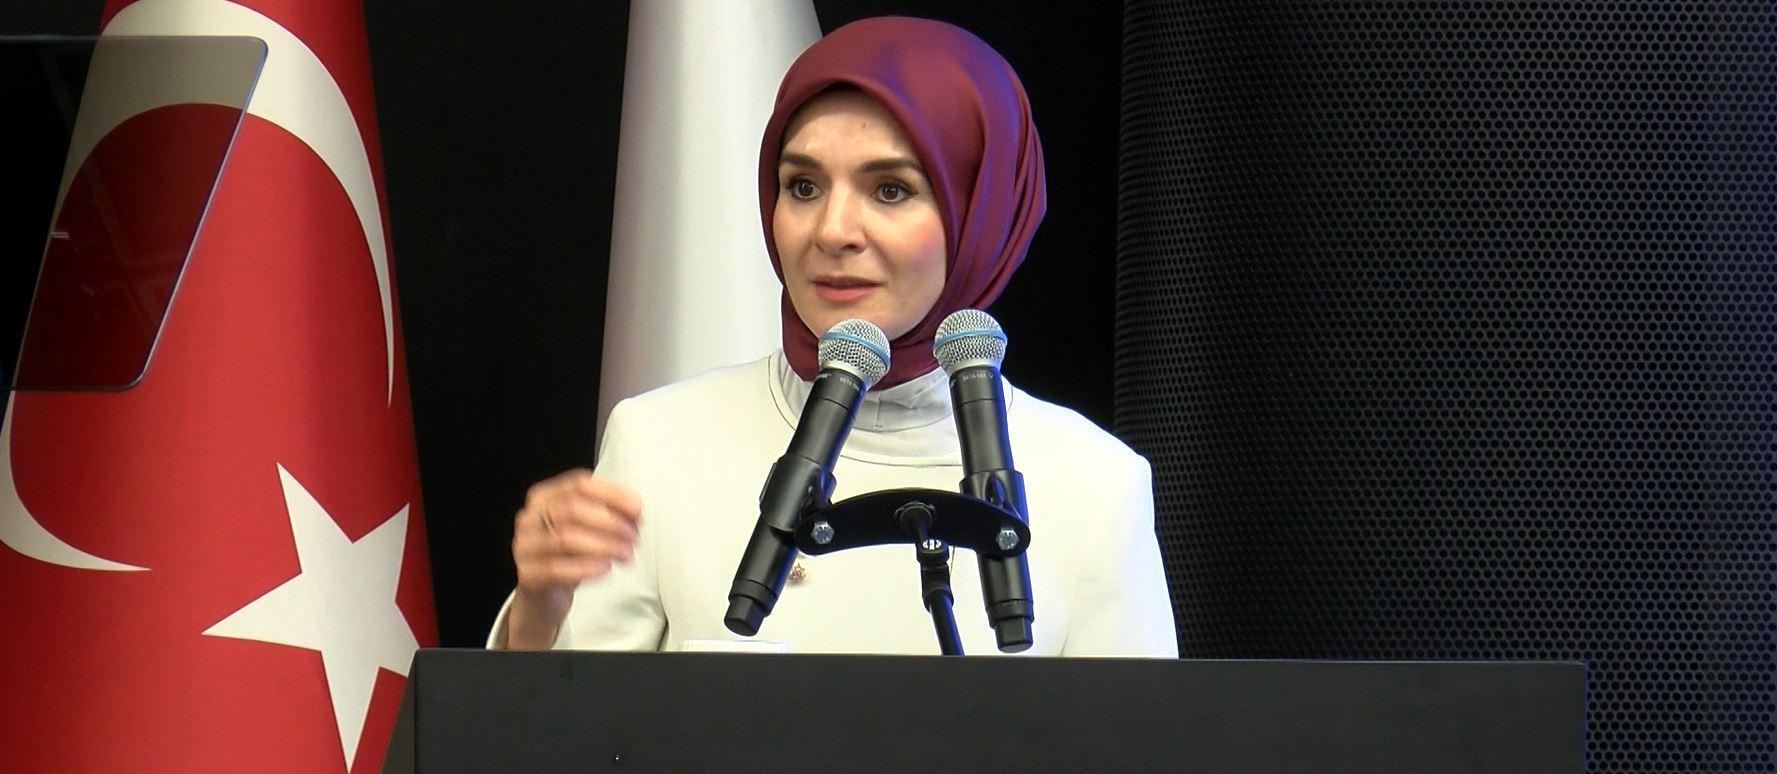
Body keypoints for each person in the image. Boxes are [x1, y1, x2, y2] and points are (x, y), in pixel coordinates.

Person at [489, 16, 1176, 656]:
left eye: (890, 190)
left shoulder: (1095, 484)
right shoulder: (659, 443)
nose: (832, 231)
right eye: (803, 186)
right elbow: (553, 725)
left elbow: (1138, 733)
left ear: (984, 212)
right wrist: (539, 609)